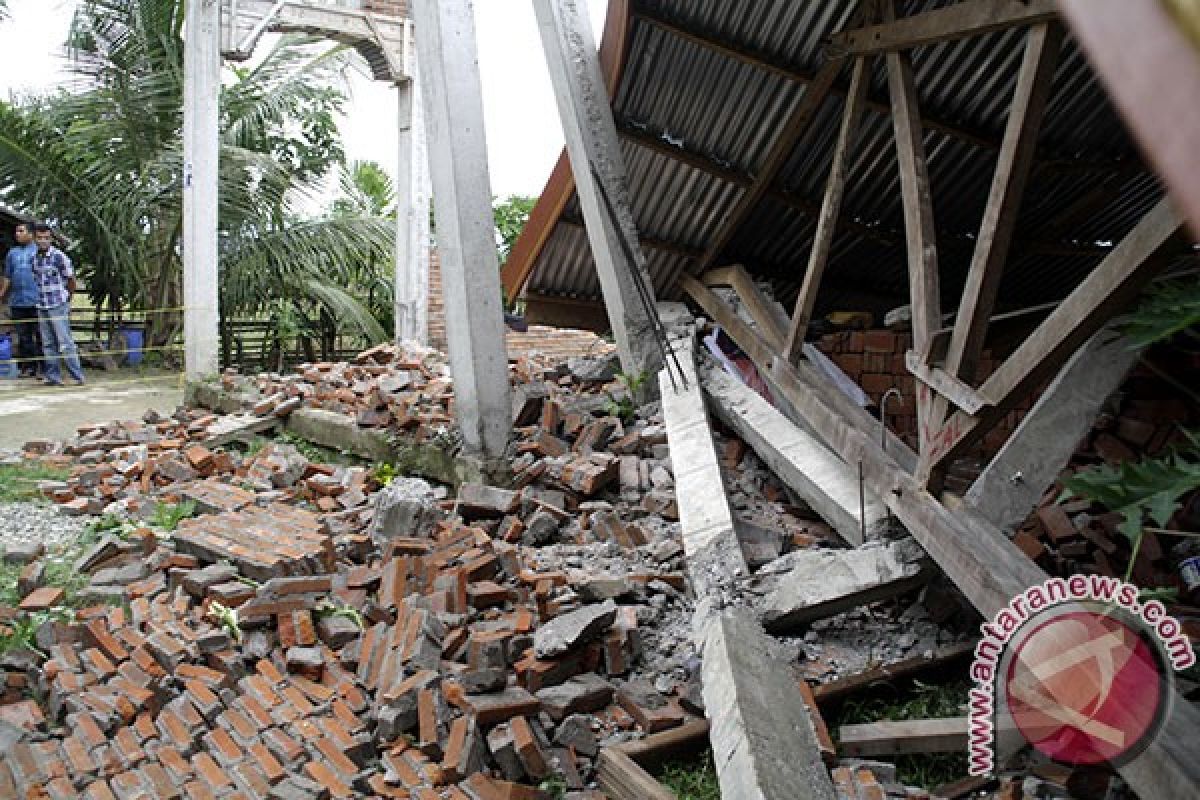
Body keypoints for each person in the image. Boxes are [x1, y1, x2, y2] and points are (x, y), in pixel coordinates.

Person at [31, 223, 84, 386]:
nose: (42, 241)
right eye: (39, 238)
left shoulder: (59, 257)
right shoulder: (34, 259)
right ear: (34, 239)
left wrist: (68, 298)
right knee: (48, 343)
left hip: (58, 304)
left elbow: (71, 280)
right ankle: (53, 377)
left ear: (51, 239)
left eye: (46, 238)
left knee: (65, 342)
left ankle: (77, 376)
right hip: (42, 305)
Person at [2, 222, 42, 377]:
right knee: (23, 336)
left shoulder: (38, 251)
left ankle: (42, 367)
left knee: (39, 334)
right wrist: (2, 293)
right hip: (18, 301)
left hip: (36, 300)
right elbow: (8, 276)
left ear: (31, 234)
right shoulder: (13, 253)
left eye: (21, 231)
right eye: (16, 231)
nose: (17, 234)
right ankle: (28, 367)